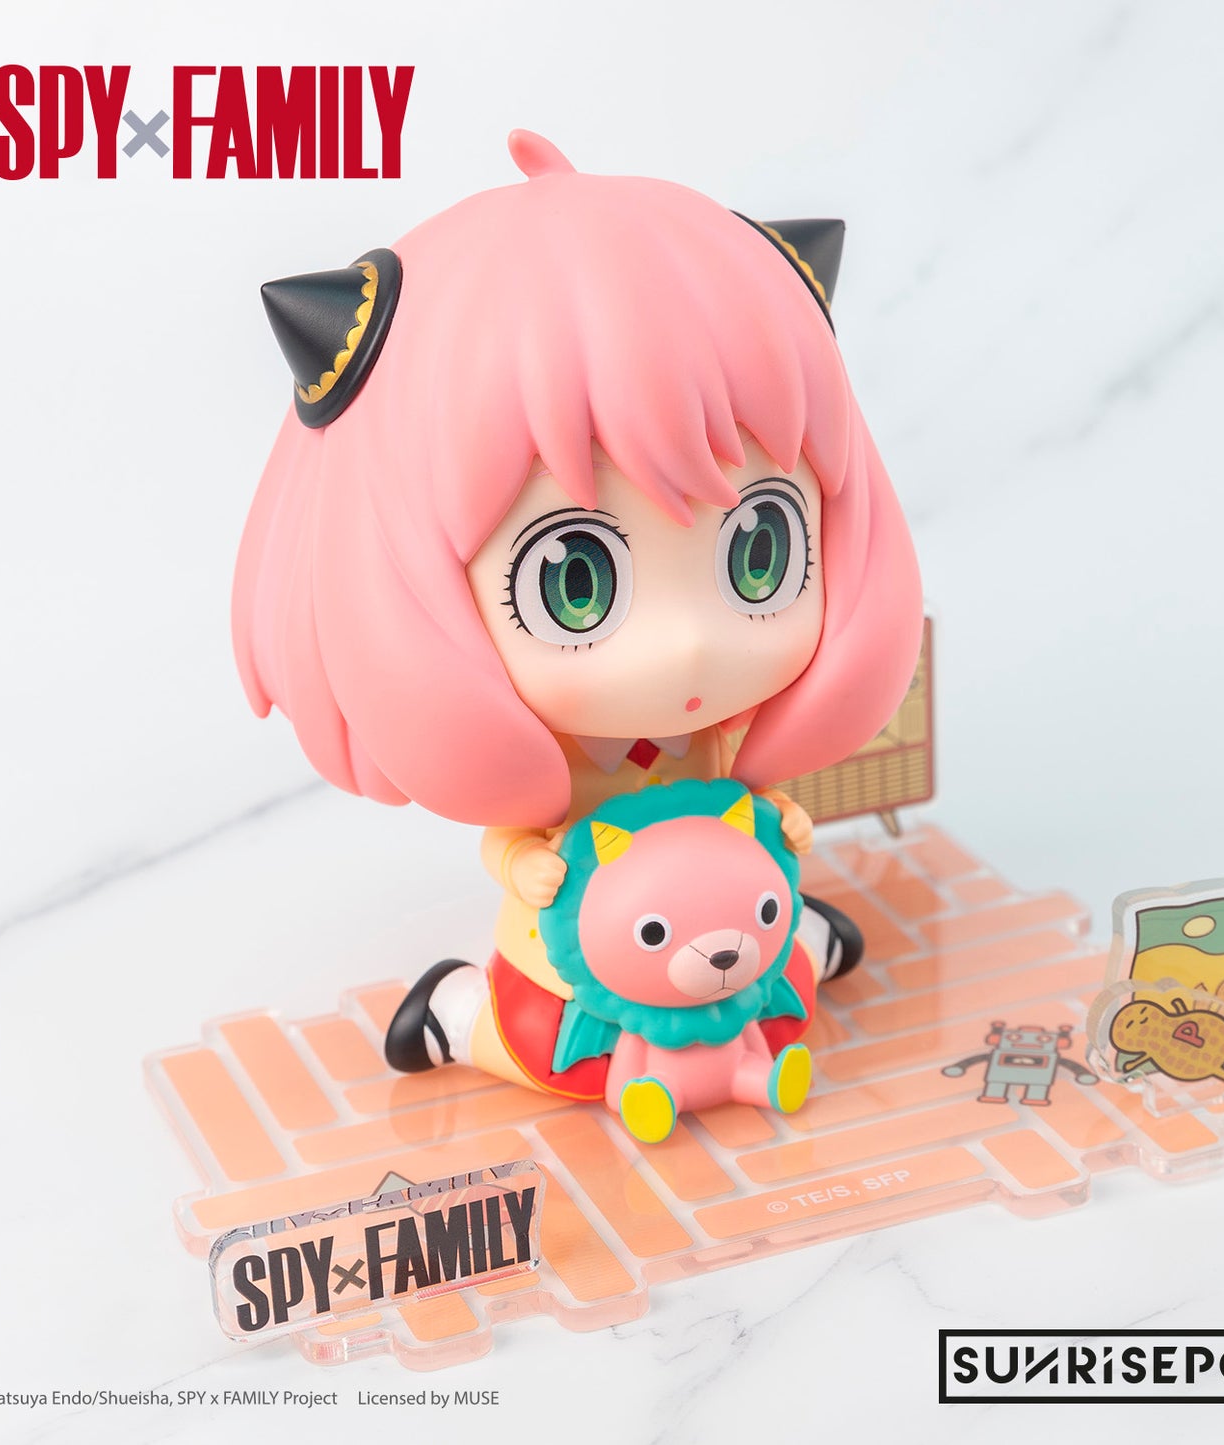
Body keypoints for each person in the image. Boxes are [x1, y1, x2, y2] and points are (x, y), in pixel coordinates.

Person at [233, 131, 923, 1100]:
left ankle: (794, 931)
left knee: (778, 996)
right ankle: (457, 1015)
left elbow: (740, 800)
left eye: (758, 553)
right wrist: (525, 865)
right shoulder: (550, 756)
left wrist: (773, 821)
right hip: (579, 955)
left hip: (732, 928)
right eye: (575, 582)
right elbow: (514, 839)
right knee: (557, 1052)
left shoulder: (713, 732)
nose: (688, 643)